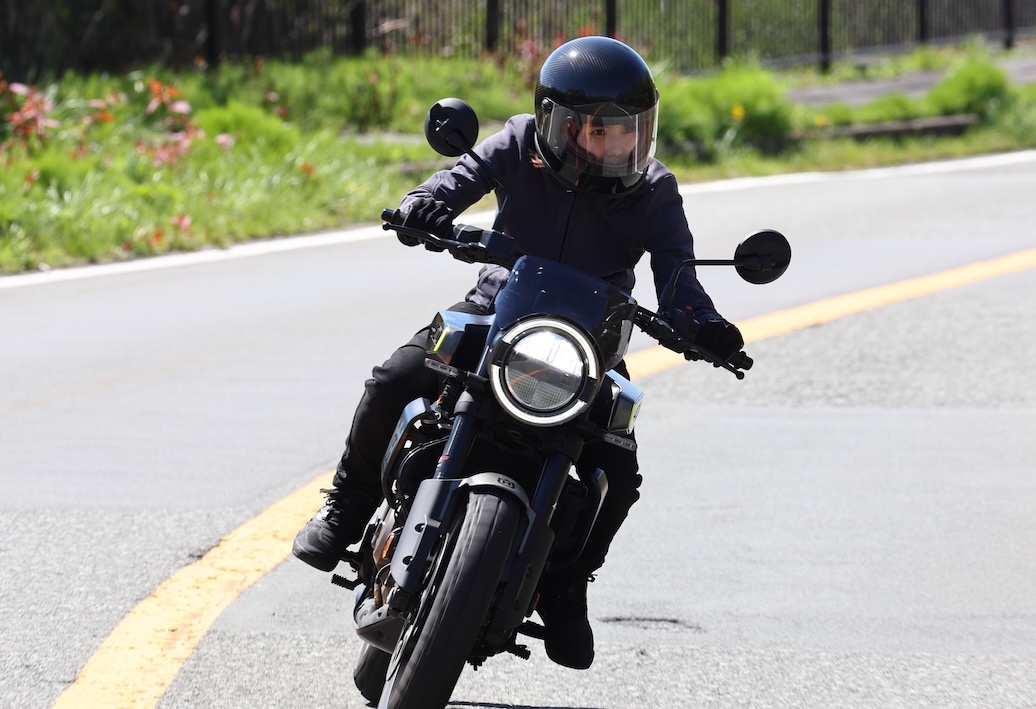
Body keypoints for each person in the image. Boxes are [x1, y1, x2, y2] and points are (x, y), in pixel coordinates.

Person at [292, 36, 744, 670]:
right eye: (600, 132)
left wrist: (705, 323)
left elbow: (677, 277)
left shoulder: (655, 190)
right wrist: (429, 205)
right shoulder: (517, 143)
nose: (618, 146)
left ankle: (565, 584)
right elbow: (462, 176)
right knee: (396, 373)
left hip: (590, 345)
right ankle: (349, 505)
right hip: (494, 310)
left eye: (630, 132)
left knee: (617, 468)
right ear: (556, 124)